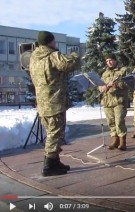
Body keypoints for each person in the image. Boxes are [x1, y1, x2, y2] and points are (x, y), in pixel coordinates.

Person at [30, 31, 78, 176]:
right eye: (54, 41)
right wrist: (75, 55)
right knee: (55, 133)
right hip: (54, 101)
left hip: (43, 103)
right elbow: (68, 64)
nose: (55, 44)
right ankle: (49, 166)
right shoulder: (52, 55)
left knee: (52, 132)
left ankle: (55, 161)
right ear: (50, 42)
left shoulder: (34, 57)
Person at [99, 53, 130, 151]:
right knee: (111, 122)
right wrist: (102, 87)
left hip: (119, 101)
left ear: (115, 60)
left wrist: (117, 84)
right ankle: (115, 140)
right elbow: (99, 85)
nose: (109, 62)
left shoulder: (123, 70)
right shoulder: (104, 73)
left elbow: (128, 83)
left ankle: (122, 142)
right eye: (107, 61)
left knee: (119, 121)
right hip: (107, 101)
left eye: (111, 60)